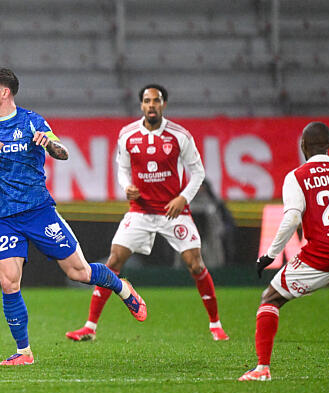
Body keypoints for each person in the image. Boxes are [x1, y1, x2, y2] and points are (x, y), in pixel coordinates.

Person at [0, 68, 147, 365]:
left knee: (79, 273)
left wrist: (48, 143)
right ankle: (24, 352)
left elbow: (62, 152)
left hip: (40, 213)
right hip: (6, 218)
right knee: (8, 282)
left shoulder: (31, 121)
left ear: (4, 92)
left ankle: (122, 288)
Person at [66, 84, 229, 343]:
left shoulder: (180, 136)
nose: (151, 105)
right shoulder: (128, 134)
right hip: (140, 211)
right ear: (141, 105)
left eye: (156, 100)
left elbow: (198, 172)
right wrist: (126, 187)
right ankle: (90, 327)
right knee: (113, 261)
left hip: (173, 211)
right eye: (147, 100)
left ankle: (215, 325)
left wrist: (183, 198)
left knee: (196, 264)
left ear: (164, 104)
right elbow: (122, 169)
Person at [239, 121, 329, 381]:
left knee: (270, 298)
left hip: (325, 253)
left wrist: (270, 254)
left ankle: (262, 369)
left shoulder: (297, 176)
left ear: (303, 145)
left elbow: (292, 219)